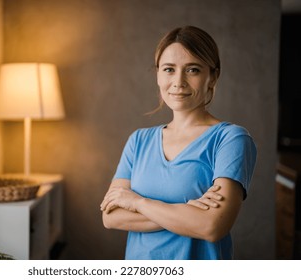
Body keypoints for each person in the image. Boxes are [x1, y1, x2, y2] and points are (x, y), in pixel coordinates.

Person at [100, 25, 257, 260]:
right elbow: (111, 217)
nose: (178, 81)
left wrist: (137, 202)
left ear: (212, 77)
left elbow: (212, 227)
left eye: (193, 70)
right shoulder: (138, 141)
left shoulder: (230, 139)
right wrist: (187, 212)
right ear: (158, 75)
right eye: (169, 69)